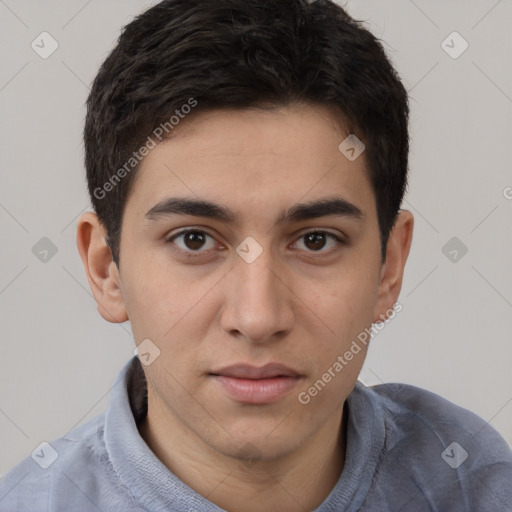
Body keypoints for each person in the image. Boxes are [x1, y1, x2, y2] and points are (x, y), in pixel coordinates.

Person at [1, 0, 511, 510]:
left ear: (389, 266)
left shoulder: (475, 483)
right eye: (194, 240)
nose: (258, 317)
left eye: (316, 240)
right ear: (106, 269)